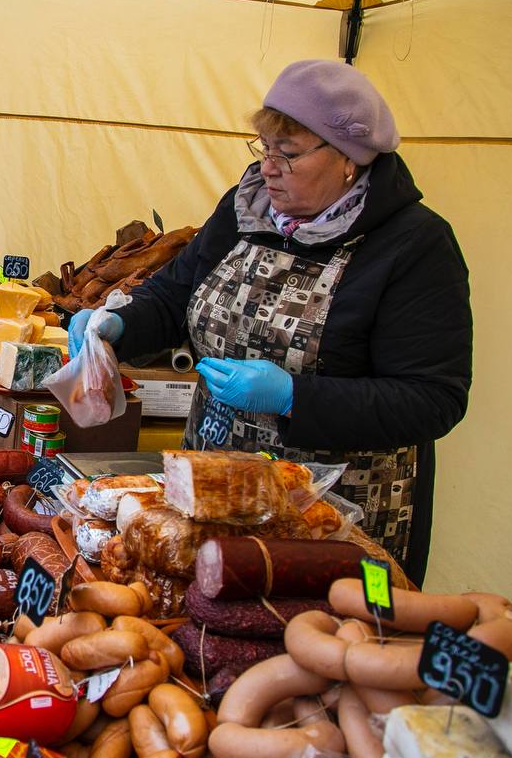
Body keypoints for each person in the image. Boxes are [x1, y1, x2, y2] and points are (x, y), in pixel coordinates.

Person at [69, 60, 471, 586]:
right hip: (211, 489)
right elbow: (174, 295)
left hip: (330, 514)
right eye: (263, 148)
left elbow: (432, 398)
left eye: (288, 153)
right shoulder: (247, 210)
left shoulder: (414, 244)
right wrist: (119, 325)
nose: (268, 168)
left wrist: (294, 397)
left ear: (349, 159)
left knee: (317, 645)